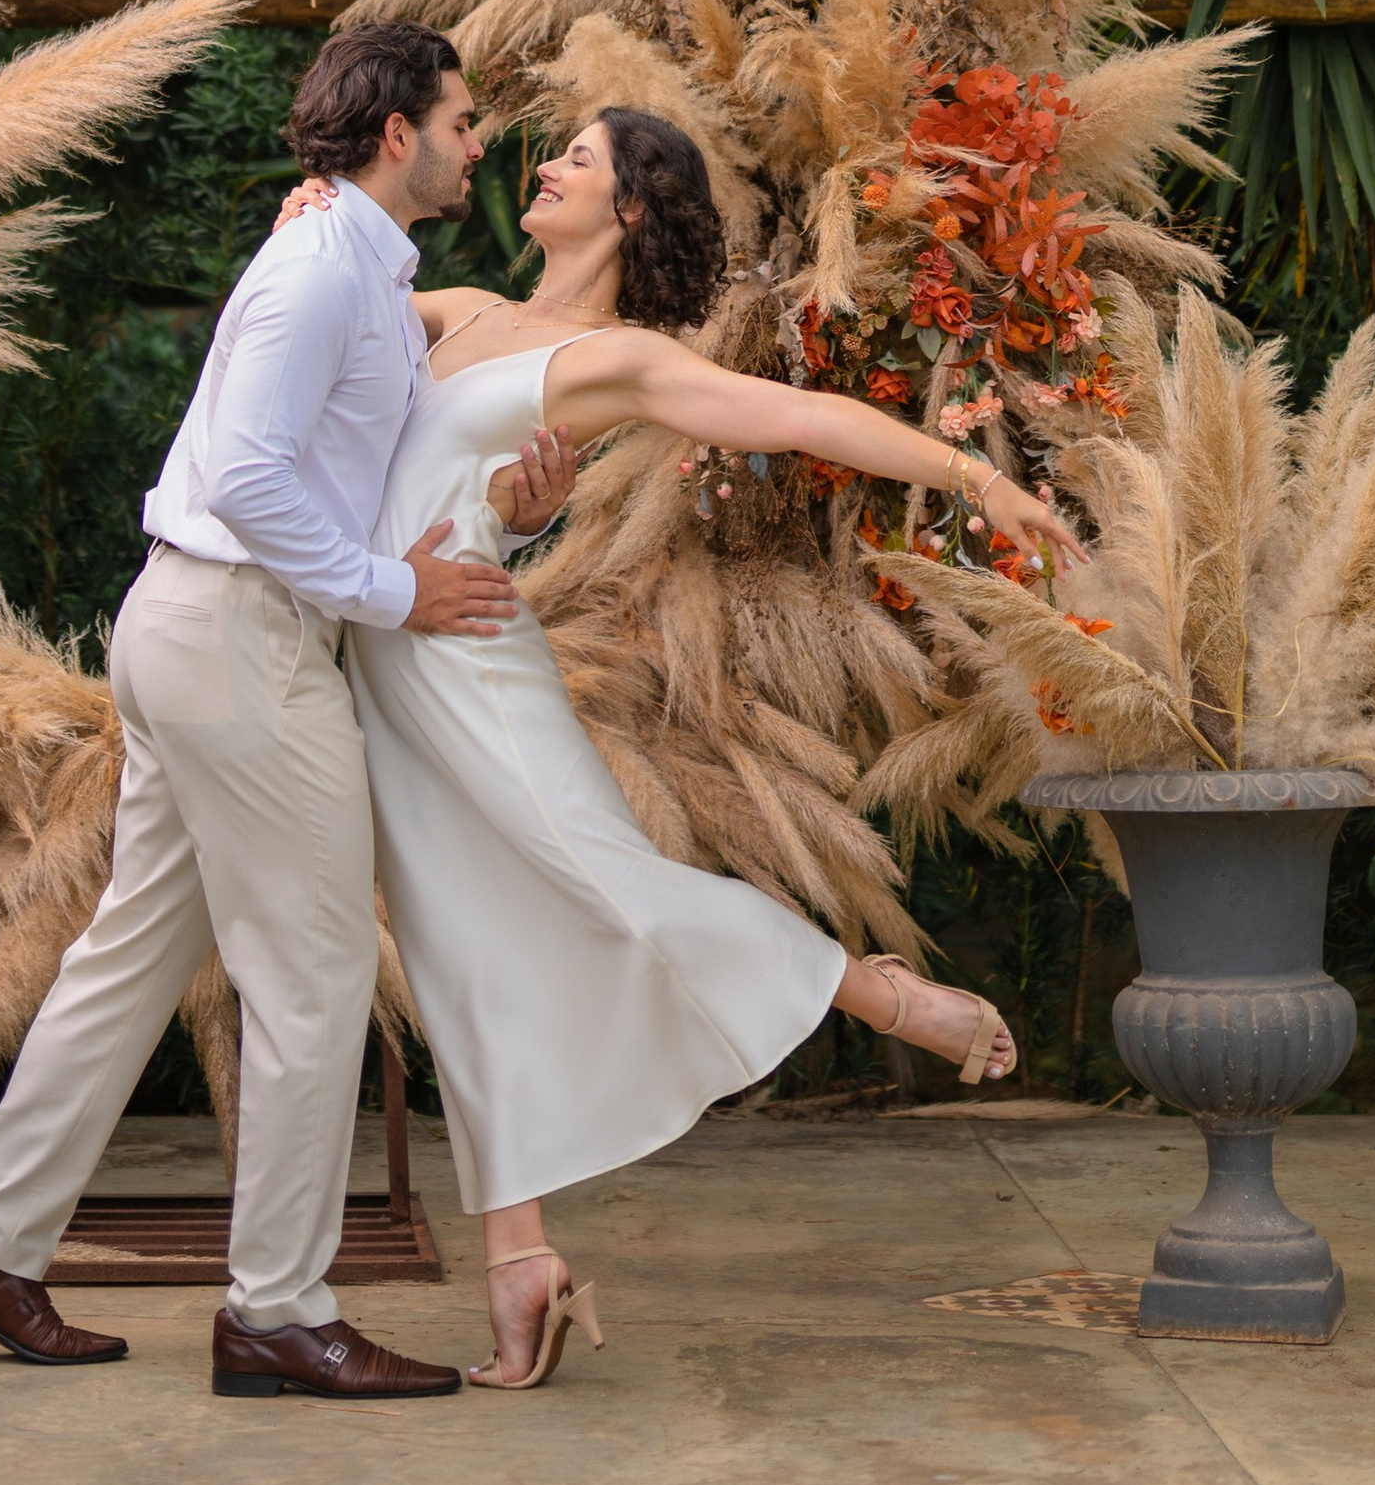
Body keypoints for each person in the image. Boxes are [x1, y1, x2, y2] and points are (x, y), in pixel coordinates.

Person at [286, 102, 1082, 1391]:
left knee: (619, 893)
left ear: (632, 207)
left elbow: (799, 419)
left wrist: (977, 480)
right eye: (547, 151)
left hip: (470, 663)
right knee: (464, 959)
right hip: (389, 657)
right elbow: (349, 344)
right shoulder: (454, 306)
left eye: (578, 160)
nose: (541, 166)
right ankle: (521, 1269)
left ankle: (879, 997)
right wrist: (308, 211)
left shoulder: (620, 358)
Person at [0, 19, 566, 1402]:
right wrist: (393, 592)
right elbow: (254, 478)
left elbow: (341, 445)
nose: (476, 140)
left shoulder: (352, 258)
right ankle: (276, 1309)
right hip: (242, 641)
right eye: (461, 117)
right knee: (319, 977)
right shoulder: (321, 268)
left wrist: (490, 511)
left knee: (133, 955)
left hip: (208, 632)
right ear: (400, 133)